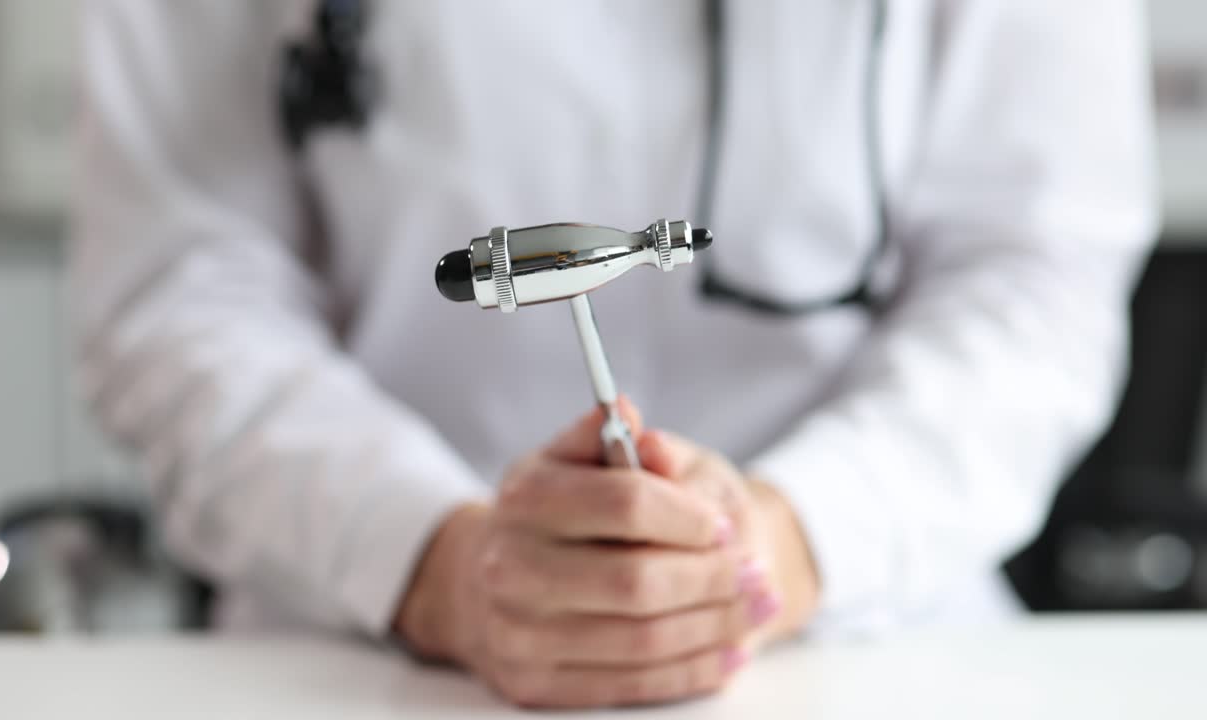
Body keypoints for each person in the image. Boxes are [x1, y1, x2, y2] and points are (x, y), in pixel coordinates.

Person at [72, 0, 1157, 709]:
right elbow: (182, 287)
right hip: (363, 654)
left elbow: (1034, 270)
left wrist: (781, 546)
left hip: (877, 641)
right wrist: (434, 564)